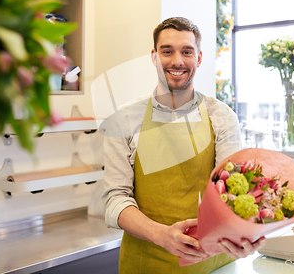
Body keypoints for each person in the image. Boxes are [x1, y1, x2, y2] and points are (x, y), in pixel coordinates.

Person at [102, 17, 266, 273]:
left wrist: (245, 230)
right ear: (154, 57)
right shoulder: (123, 120)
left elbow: (235, 192)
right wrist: (162, 235)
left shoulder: (221, 117)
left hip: (212, 263)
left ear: (199, 58)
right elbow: (115, 199)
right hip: (146, 262)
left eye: (186, 52)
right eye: (167, 51)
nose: (177, 61)